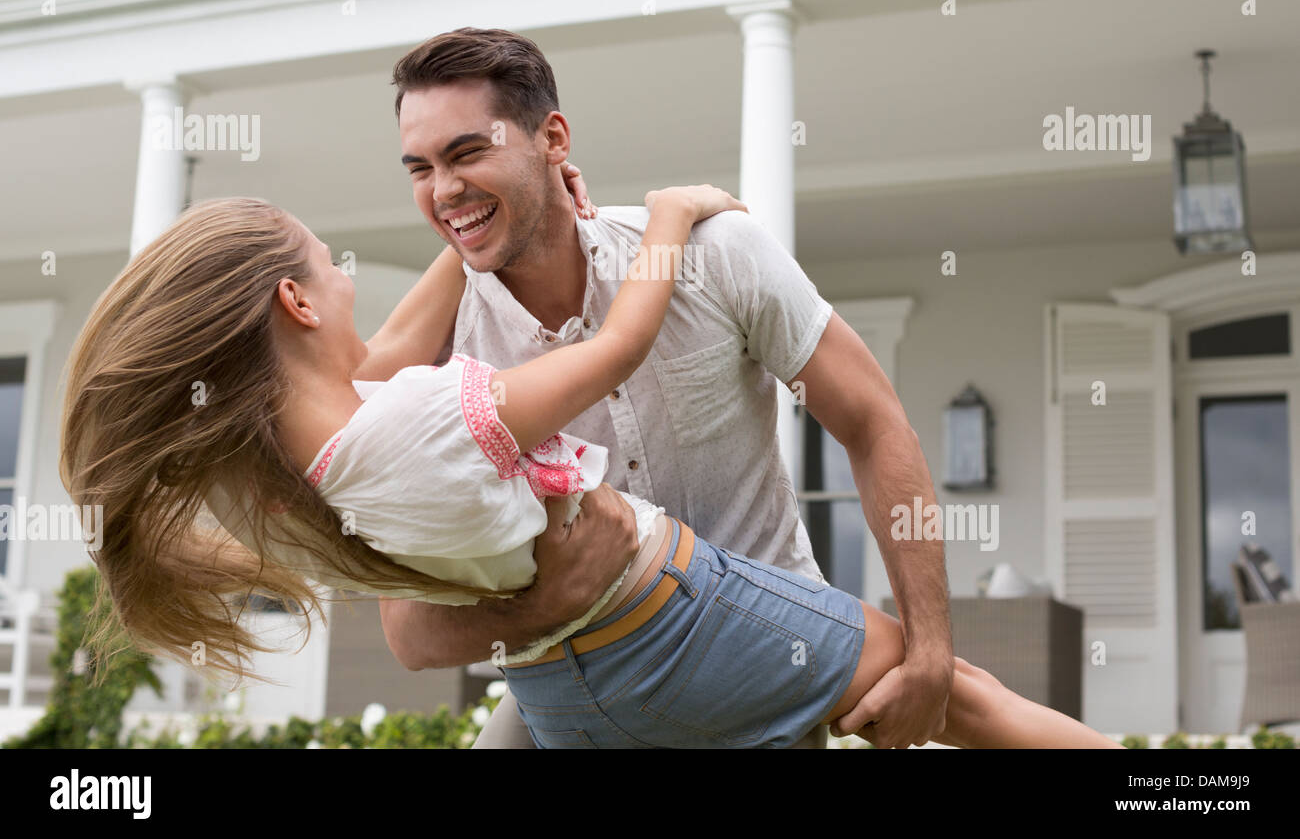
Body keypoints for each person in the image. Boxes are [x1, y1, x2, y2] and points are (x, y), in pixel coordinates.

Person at [61, 192, 1123, 749]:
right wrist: (673, 215)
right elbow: (615, 349)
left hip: (569, 689)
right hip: (677, 611)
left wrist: (465, 231)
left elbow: (373, 365)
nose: (347, 281)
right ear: (295, 306)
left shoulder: (303, 481)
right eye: (328, 267)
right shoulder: (433, 408)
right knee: (957, 698)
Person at [361, 28, 949, 748]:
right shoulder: (437, 351)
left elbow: (874, 423)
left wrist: (930, 652)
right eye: (420, 168)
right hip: (571, 681)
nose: (443, 189)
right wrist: (557, 600)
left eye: (468, 151)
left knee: (975, 705)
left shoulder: (716, 253)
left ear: (553, 139)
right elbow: (409, 627)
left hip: (758, 672)